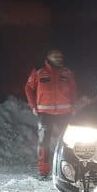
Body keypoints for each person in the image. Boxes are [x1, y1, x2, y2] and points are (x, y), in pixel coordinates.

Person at [25, 49, 78, 180]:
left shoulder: (67, 72)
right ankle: (43, 171)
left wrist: (73, 105)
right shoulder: (38, 71)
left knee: (68, 141)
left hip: (64, 113)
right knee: (44, 142)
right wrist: (33, 106)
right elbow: (28, 88)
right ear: (48, 57)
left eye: (60, 55)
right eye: (55, 55)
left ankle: (68, 169)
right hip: (45, 113)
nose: (59, 57)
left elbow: (73, 90)